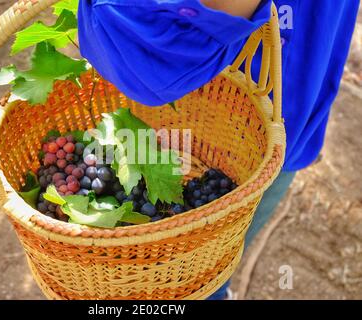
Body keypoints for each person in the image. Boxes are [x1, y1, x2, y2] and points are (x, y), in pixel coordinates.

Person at [77, 0, 360, 299]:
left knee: (200, 275)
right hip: (287, 109)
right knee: (206, 268)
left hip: (263, 129)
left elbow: (152, 64)